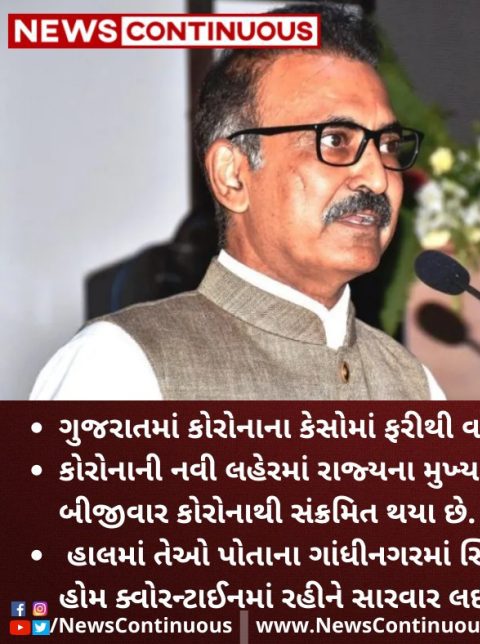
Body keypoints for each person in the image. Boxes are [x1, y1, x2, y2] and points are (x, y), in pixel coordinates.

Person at [31, 4, 444, 400]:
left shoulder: (414, 386)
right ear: (232, 175)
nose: (377, 176)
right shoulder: (120, 365)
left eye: (388, 145)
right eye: (336, 140)